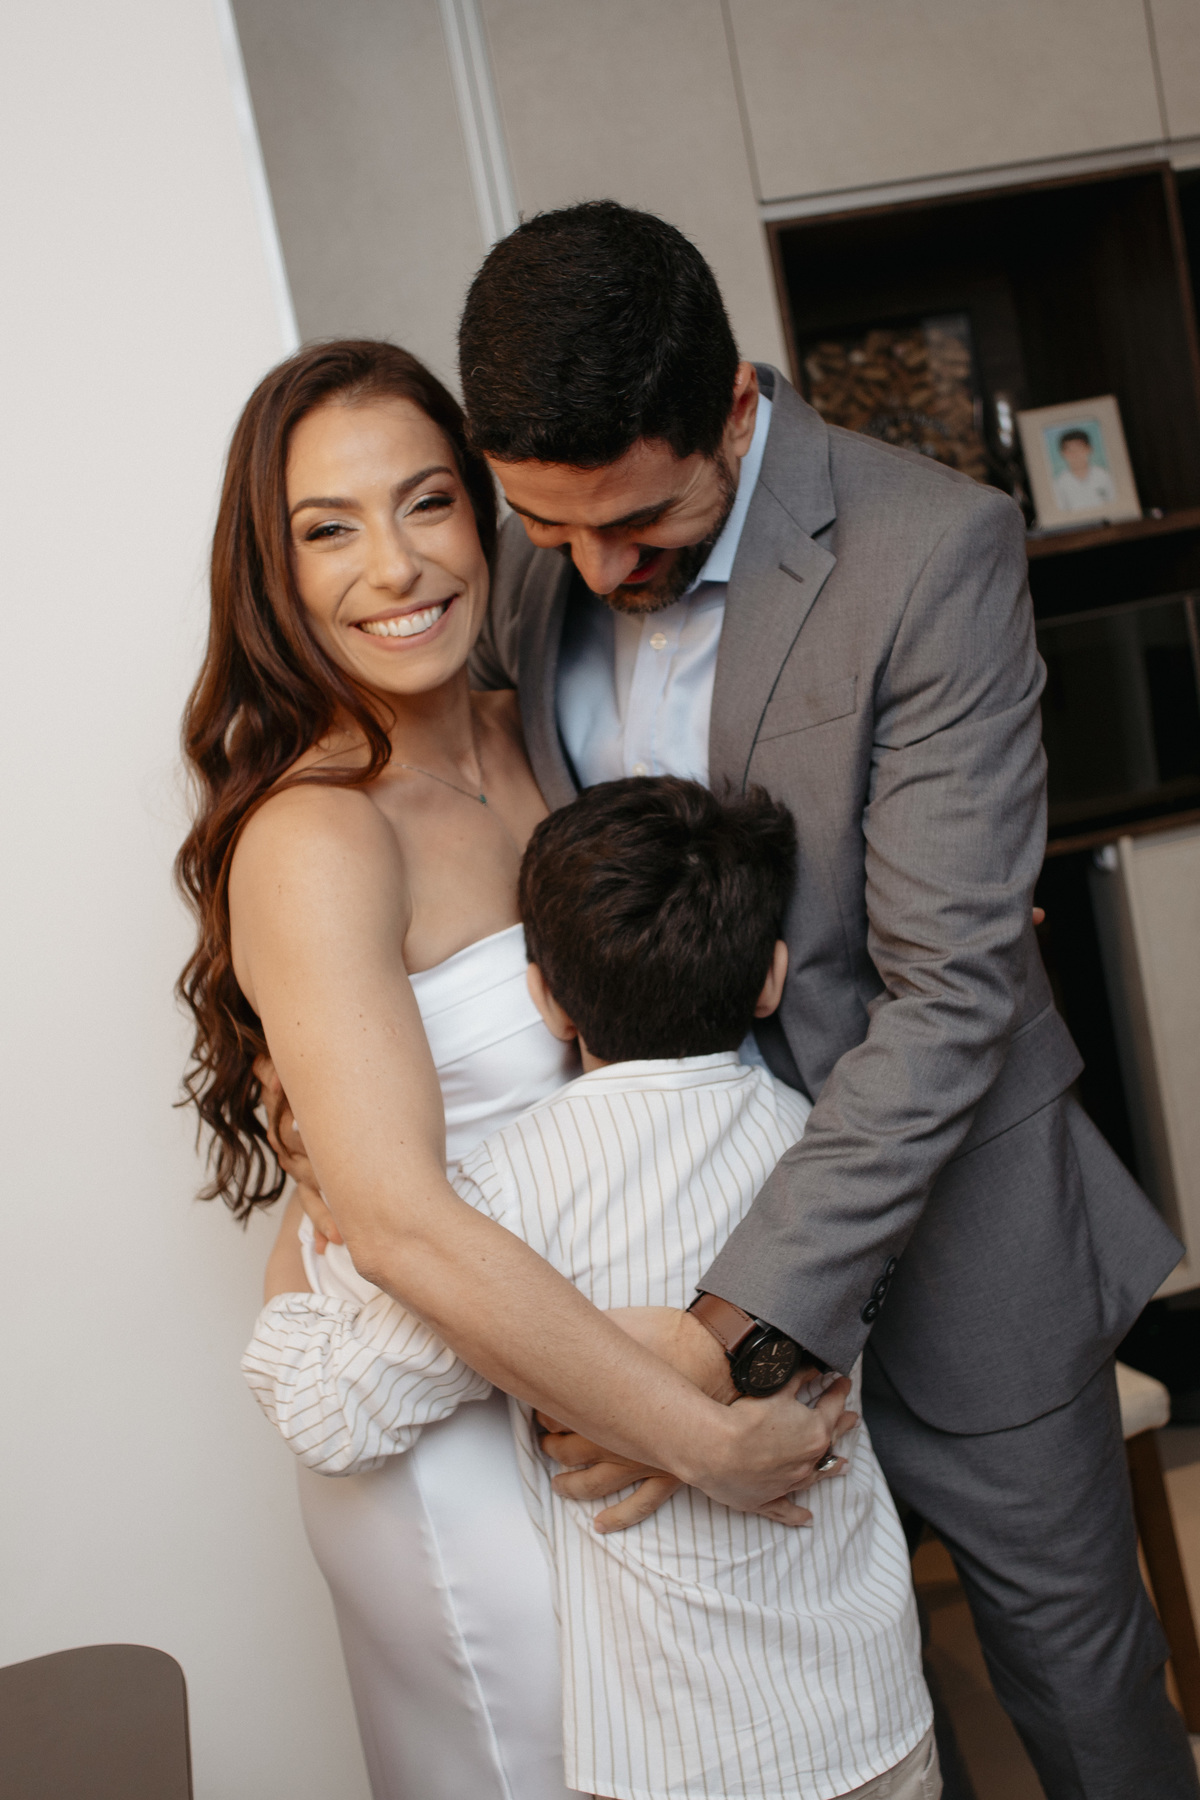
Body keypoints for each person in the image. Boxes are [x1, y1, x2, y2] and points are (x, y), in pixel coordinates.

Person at [433, 201, 1192, 1800]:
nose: (595, 569)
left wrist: (718, 1336)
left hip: (956, 1252)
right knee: (836, 1728)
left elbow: (948, 992)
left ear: (732, 407)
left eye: (637, 521)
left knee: (1079, 1696)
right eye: (548, 527)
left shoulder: (931, 549)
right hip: (671, 1250)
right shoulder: (532, 577)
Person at [177, 339, 853, 1800]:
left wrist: (745, 1347)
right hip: (458, 1442)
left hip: (613, 1367)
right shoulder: (316, 834)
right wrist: (704, 1439)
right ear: (272, 571)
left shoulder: (538, 726)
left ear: (484, 513)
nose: (395, 565)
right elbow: (402, 1224)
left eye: (426, 502)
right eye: (328, 529)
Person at [246, 775, 938, 1800]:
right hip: (875, 1715)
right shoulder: (825, 1152)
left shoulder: (503, 1199)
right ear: (771, 979)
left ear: (545, 999)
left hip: (686, 1762)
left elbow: (327, 1414)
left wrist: (314, 1198)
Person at [1052, 426, 1116, 514]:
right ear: (1062, 453)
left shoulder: (1105, 476)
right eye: (1070, 450)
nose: (1075, 454)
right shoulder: (1059, 483)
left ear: (1089, 449)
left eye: (1079, 448)